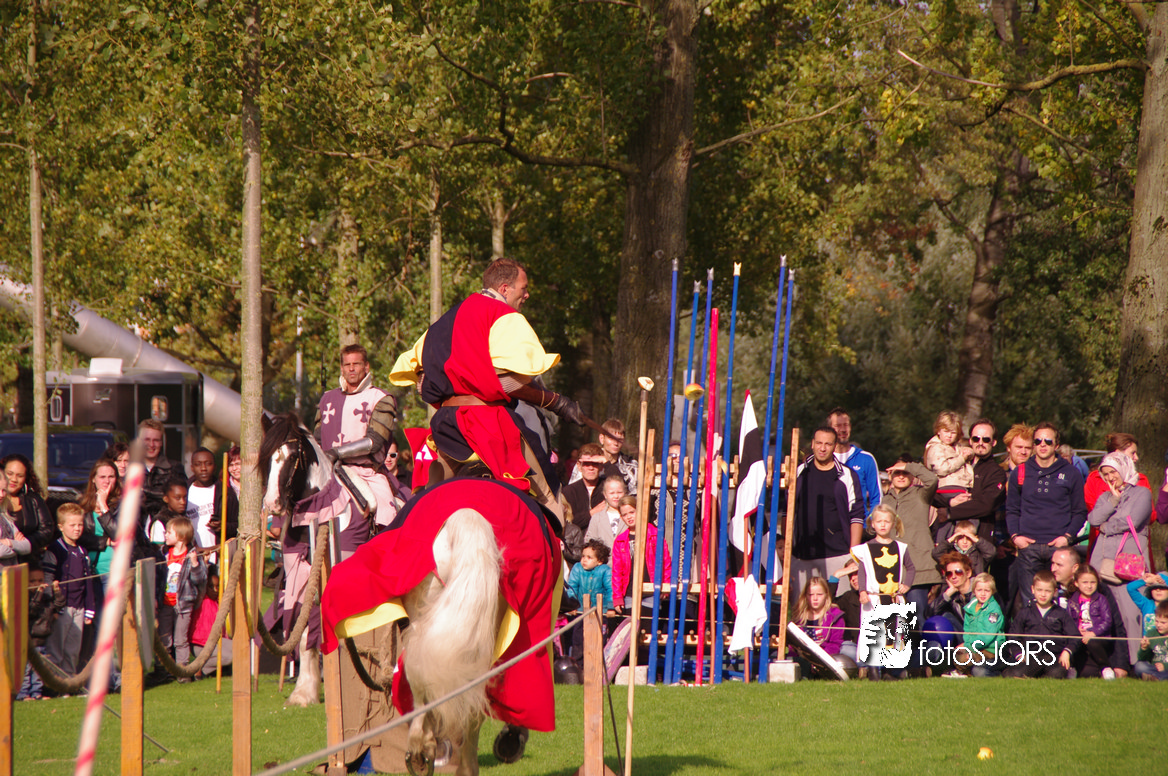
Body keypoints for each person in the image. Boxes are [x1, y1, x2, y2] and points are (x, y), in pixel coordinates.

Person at [390, 257, 582, 528]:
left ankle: (404, 537)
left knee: (424, 504)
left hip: (445, 426)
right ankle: (559, 543)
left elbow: (421, 382)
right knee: (548, 494)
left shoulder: (441, 323)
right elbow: (508, 384)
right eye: (523, 288)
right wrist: (556, 402)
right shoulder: (504, 316)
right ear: (504, 289)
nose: (527, 294)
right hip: (485, 424)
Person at [315, 344, 401, 528]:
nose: (351, 369)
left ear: (366, 367)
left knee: (387, 516)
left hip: (367, 472)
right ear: (342, 368)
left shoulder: (380, 398)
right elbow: (318, 439)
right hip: (329, 472)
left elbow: (374, 441)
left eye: (356, 364)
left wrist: (337, 452)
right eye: (347, 365)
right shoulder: (327, 399)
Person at [1005, 421, 1087, 606]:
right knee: (1030, 603)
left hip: (1058, 548)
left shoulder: (1071, 473)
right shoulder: (1020, 472)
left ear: (1056, 445)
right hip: (1028, 548)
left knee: (1061, 602)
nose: (1042, 445)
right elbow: (1012, 509)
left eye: (1048, 441)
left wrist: (1067, 537)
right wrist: (1016, 537)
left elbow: (1079, 511)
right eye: (1038, 441)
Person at [790, 426, 865, 601]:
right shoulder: (799, 472)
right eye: (819, 443)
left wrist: (853, 556)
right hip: (802, 556)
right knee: (802, 608)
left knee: (838, 608)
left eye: (828, 444)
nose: (822, 448)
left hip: (838, 555)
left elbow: (856, 516)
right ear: (812, 444)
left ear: (835, 446)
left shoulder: (847, 475)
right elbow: (789, 510)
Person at [851, 505, 914, 679]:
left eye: (887, 521)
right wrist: (862, 591)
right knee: (873, 633)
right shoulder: (866, 548)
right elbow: (862, 571)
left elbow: (911, 568)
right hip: (873, 599)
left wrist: (906, 585)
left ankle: (888, 671)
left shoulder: (900, 547)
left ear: (893, 523)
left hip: (893, 599)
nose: (883, 525)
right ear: (873, 524)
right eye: (879, 521)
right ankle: (873, 670)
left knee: (892, 634)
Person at [1049, 546, 1131, 677]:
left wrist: (1121, 665)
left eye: (1059, 565)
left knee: (1090, 673)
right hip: (1064, 650)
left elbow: (1116, 626)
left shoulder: (1099, 590)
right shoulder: (1048, 589)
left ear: (1075, 568)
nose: (1053, 568)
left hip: (1095, 647)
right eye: (1052, 563)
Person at [42, 504, 101, 677]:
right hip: (61, 609)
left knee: (73, 650)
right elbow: (48, 578)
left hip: (79, 607)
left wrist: (90, 607)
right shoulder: (55, 550)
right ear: (61, 526)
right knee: (56, 649)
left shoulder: (82, 551)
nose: (77, 529)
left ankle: (69, 682)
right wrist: (53, 605)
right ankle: (53, 683)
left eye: (80, 525)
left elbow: (87, 582)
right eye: (72, 525)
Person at [880, 455, 940, 616]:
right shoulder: (885, 501)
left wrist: (908, 466)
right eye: (897, 473)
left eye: (905, 473)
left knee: (917, 616)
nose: (901, 476)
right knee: (894, 619)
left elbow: (932, 480)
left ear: (912, 476)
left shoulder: (921, 494)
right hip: (892, 569)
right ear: (890, 475)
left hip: (919, 567)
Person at [1001, 570, 1075, 679]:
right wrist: (1019, 654)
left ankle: (1064, 673)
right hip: (1032, 657)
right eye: (1039, 590)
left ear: (1055, 592)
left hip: (1054, 657)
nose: (1043, 594)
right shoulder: (1025, 613)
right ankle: (1031, 677)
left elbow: (1075, 636)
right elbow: (1013, 636)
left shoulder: (1061, 613)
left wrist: (1067, 651)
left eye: (1047, 591)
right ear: (1032, 589)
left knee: (1056, 674)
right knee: (1012, 674)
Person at [943, 418, 1007, 542]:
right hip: (950, 536)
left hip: (978, 539)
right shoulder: (956, 465)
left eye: (986, 439)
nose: (980, 443)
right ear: (970, 441)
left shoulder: (996, 472)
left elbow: (986, 505)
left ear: (994, 442)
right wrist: (949, 502)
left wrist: (949, 512)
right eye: (976, 439)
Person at [158, 516, 207, 677]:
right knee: (165, 638)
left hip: (183, 605)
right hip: (165, 603)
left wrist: (195, 565)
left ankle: (183, 669)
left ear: (180, 536)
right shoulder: (164, 554)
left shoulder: (192, 556)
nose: (165, 535)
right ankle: (164, 669)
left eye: (169, 532)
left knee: (180, 639)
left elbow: (199, 580)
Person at [611, 495, 672, 613]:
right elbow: (617, 572)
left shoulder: (654, 534)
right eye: (625, 514)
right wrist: (617, 597)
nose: (629, 517)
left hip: (651, 589)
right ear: (621, 517)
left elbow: (665, 562)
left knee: (648, 621)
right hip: (630, 593)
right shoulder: (620, 540)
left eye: (632, 512)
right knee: (632, 622)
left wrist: (665, 586)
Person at [788, 576, 850, 678]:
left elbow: (835, 644)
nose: (815, 598)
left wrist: (819, 661)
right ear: (805, 596)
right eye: (811, 594)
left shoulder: (835, 616)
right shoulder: (799, 617)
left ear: (826, 595)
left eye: (819, 594)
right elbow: (793, 646)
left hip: (827, 658)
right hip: (803, 657)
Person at [564, 539, 614, 662]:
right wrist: (572, 605)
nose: (584, 560)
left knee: (599, 639)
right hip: (580, 611)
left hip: (600, 613)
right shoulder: (577, 568)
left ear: (599, 561)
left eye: (589, 557)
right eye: (583, 556)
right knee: (578, 640)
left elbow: (610, 589)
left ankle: (597, 664)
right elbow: (572, 587)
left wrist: (611, 607)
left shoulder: (605, 571)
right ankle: (579, 665)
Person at [0, 454, 54, 565]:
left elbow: (47, 529)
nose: (14, 479)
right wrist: (17, 545)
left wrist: (27, 542)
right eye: (10, 474)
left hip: (29, 560)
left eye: (20, 476)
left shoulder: (33, 500)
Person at [827, 408, 881, 518]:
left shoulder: (866, 459)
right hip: (831, 525)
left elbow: (877, 497)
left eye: (846, 425)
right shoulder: (824, 460)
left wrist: (870, 522)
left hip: (861, 525)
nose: (843, 430)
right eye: (838, 426)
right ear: (829, 429)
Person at [1067, 565, 1115, 678]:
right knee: (1071, 643)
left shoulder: (1101, 599)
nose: (1089, 586)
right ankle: (1072, 668)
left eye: (1093, 582)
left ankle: (1105, 667)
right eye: (1085, 582)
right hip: (1080, 636)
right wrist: (1076, 630)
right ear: (1076, 583)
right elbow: (1068, 622)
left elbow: (1107, 621)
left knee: (1092, 642)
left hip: (1098, 637)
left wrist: (1093, 632)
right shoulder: (1072, 602)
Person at [186, 447, 238, 554]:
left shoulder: (226, 493)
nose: (203, 468)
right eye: (198, 464)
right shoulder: (184, 492)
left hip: (218, 554)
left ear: (214, 467)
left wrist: (223, 526)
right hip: (191, 555)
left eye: (208, 464)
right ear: (192, 468)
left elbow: (237, 525)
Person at [953, 573, 1005, 677]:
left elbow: (987, 636)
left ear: (992, 591)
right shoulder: (970, 607)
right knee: (955, 654)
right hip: (974, 646)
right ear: (974, 591)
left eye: (987, 590)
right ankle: (965, 672)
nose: (983, 594)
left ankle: (966, 672)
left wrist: (969, 647)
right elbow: (967, 630)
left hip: (990, 649)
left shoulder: (993, 610)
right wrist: (966, 644)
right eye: (979, 590)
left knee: (966, 660)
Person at [1083, 432, 1150, 511]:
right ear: (1118, 454)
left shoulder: (1141, 480)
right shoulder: (1095, 479)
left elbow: (1149, 513)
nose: (1136, 458)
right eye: (1133, 453)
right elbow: (1091, 509)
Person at [924, 410, 975, 506]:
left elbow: (967, 453)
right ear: (939, 431)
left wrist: (969, 452)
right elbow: (942, 469)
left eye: (953, 432)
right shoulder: (936, 448)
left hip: (962, 486)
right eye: (946, 431)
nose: (949, 436)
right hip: (947, 488)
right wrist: (962, 459)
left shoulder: (956, 446)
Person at [138, 418, 183, 519]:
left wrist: (143, 490)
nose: (151, 445)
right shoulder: (130, 469)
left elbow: (180, 498)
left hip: (166, 524)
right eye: (147, 440)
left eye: (156, 440)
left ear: (162, 442)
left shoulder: (174, 468)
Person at [562, 444, 607, 533]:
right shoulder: (569, 491)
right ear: (579, 466)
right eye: (586, 464)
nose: (591, 468)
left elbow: (622, 484)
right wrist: (592, 513)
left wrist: (606, 462)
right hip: (578, 539)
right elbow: (568, 522)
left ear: (601, 466)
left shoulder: (609, 489)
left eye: (595, 464)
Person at [583, 475, 627, 550]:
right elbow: (590, 541)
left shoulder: (631, 515)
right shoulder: (597, 517)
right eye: (612, 493)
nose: (616, 496)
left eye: (619, 492)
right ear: (605, 495)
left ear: (625, 492)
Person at [0, 468, 31, 567]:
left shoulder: (5, 516)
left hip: (10, 574)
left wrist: (9, 542)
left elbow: (27, 546)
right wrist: (17, 546)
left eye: (4, 490)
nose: (1, 495)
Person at [1134, 600, 1168, 680]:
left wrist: (1165, 666)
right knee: (1139, 666)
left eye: (1163, 623)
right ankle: (1158, 677)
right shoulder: (1151, 633)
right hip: (1154, 668)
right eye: (1156, 621)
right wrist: (1144, 648)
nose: (1158, 625)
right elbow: (1142, 659)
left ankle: (1157, 677)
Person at [148, 480, 189, 547]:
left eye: (185, 497)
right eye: (178, 498)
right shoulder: (160, 522)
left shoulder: (186, 517)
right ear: (166, 499)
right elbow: (158, 549)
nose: (183, 502)